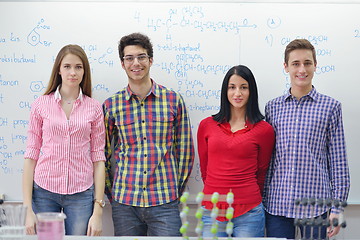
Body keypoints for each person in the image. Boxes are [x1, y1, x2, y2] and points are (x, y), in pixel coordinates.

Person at [102, 32, 194, 236]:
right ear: (122, 63)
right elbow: (103, 156)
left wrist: (173, 190)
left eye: (141, 56)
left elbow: (185, 153)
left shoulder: (173, 100)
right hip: (125, 203)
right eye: (129, 58)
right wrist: (113, 194)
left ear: (150, 60)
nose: (136, 63)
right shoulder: (111, 105)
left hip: (164, 202)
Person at [263, 39, 350, 239]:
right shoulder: (272, 108)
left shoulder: (331, 107)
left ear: (315, 65)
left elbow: (338, 162)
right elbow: (267, 159)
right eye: (295, 63)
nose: (302, 69)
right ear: (286, 67)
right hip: (277, 205)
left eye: (307, 63)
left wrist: (337, 209)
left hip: (315, 207)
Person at [22, 44, 106, 236]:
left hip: (81, 193)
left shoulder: (94, 108)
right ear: (58, 70)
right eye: (67, 66)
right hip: (44, 191)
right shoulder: (40, 105)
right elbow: (31, 155)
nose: (73, 72)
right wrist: (27, 209)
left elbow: (98, 159)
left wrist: (98, 209)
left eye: (78, 67)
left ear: (85, 71)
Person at [197, 65, 275, 237]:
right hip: (212, 210)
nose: (237, 93)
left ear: (251, 91)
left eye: (243, 87)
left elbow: (262, 172)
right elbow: (205, 168)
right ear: (225, 91)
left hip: (249, 212)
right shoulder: (206, 126)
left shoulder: (264, 130)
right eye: (232, 87)